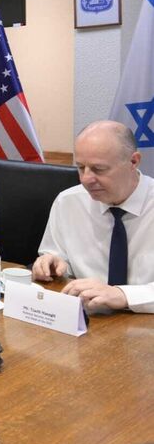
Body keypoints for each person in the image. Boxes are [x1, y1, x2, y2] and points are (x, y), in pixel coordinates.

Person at [33, 120, 154, 313]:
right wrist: (55, 264)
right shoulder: (68, 202)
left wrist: (123, 295)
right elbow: (56, 257)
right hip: (88, 321)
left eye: (99, 169)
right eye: (81, 168)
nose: (86, 179)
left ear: (133, 161)